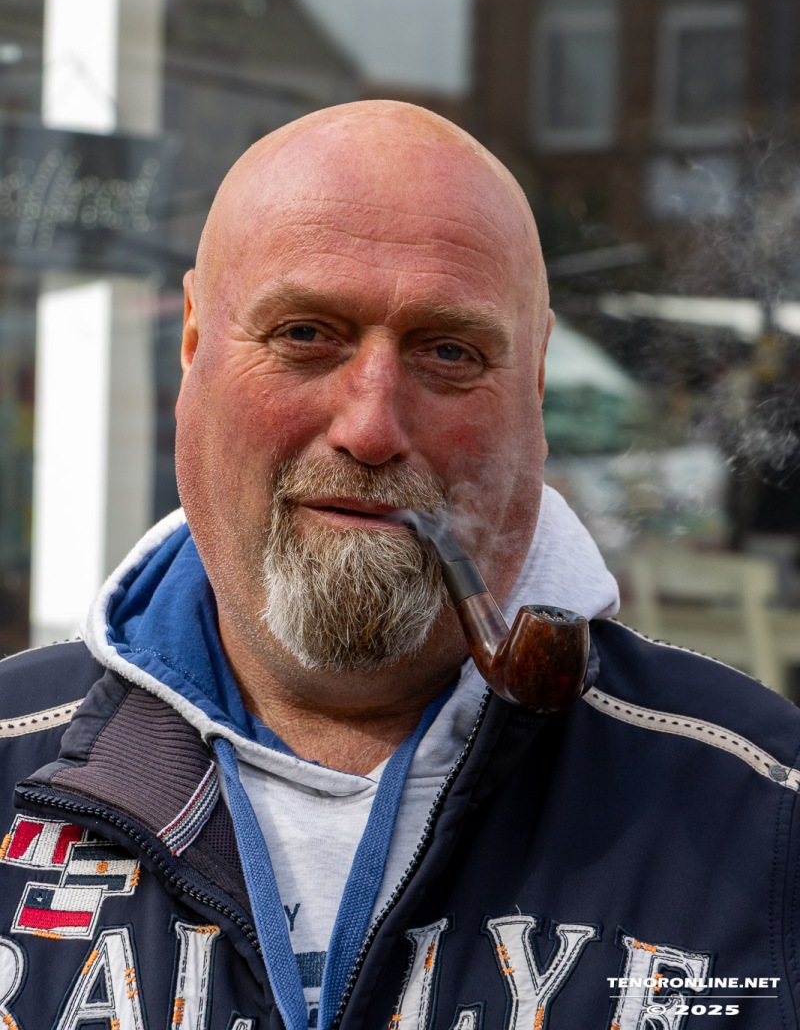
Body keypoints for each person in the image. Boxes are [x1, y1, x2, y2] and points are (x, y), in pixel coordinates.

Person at [0, 101, 797, 1030]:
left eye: (449, 351)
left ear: (536, 378)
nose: (372, 428)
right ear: (193, 341)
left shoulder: (763, 814)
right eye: (305, 334)